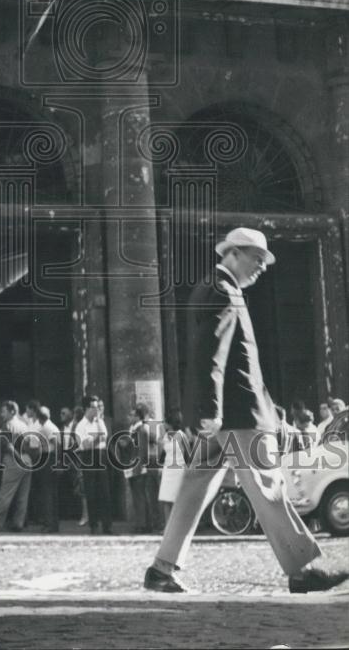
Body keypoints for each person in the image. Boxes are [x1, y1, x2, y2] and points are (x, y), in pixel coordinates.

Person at [144, 227, 349, 594]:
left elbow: (234, 362)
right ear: (234, 254)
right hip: (236, 417)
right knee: (268, 487)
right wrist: (210, 413)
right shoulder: (224, 291)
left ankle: (162, 568)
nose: (262, 268)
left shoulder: (213, 288)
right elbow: (213, 357)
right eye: (257, 259)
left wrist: (262, 411)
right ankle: (306, 568)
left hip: (227, 415)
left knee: (194, 487)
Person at [0, 400, 32, 533]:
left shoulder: (8, 425)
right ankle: (18, 523)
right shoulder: (23, 425)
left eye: (4, 411)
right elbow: (29, 443)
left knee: (5, 494)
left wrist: (17, 457)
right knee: (22, 496)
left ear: (12, 411)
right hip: (27, 459)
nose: (2, 414)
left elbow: (8, 446)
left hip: (14, 460)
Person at [73, 395, 113, 535]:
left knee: (105, 491)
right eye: (93, 407)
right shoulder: (80, 426)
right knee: (91, 491)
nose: (96, 410)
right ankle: (94, 525)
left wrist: (95, 438)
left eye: (97, 407)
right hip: (88, 457)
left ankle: (107, 525)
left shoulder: (100, 421)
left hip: (101, 455)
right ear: (86, 409)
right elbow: (85, 444)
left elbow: (105, 437)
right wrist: (97, 437)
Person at [125, 402, 162, 533]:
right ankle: (142, 522)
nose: (129, 417)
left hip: (139, 466)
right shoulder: (134, 428)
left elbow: (142, 450)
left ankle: (143, 524)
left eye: (132, 414)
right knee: (138, 495)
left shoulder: (142, 429)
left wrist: (138, 466)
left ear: (138, 416)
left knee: (140, 495)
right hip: (133, 465)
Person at [157, 409, 187, 525]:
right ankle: (167, 527)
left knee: (176, 500)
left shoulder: (181, 435)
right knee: (166, 499)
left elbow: (188, 454)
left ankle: (178, 526)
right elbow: (163, 454)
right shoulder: (165, 436)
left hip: (178, 469)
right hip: (167, 469)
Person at [35, 406, 61, 533]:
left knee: (48, 493)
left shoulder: (47, 427)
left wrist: (57, 462)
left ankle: (50, 524)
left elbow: (56, 444)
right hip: (49, 458)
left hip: (49, 458)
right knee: (49, 493)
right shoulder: (49, 426)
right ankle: (52, 523)